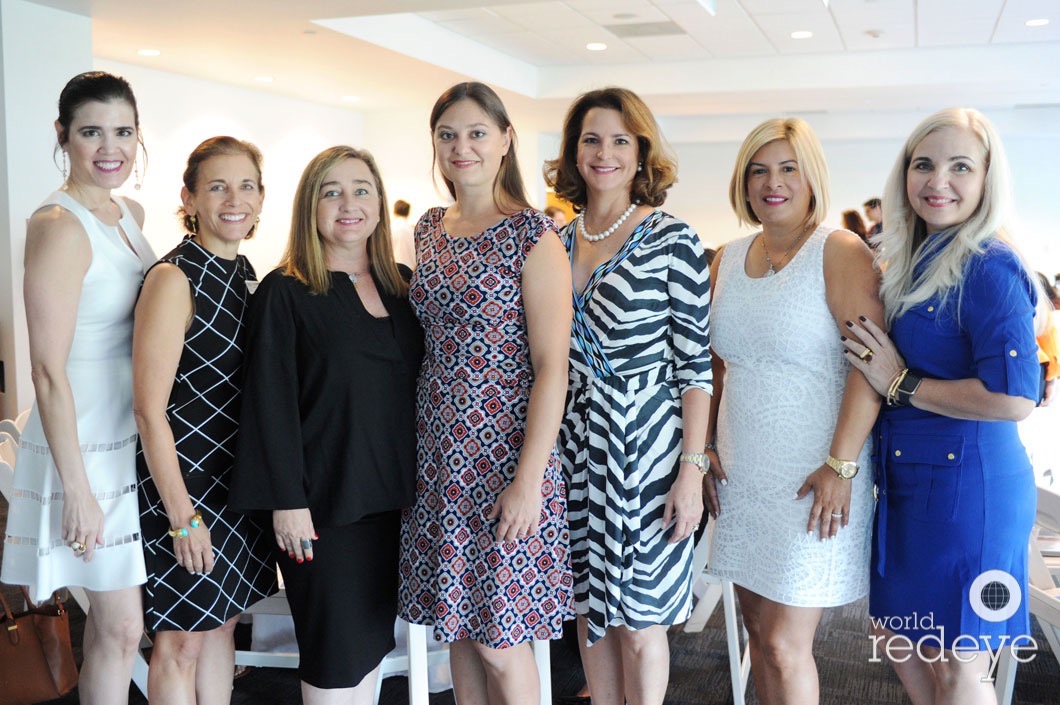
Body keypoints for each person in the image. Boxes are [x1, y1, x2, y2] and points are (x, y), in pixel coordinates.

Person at [844, 107, 1043, 705]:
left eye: (961, 167)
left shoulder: (990, 264)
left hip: (972, 494)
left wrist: (900, 383)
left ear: (987, 179)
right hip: (911, 487)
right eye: (924, 165)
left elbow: (1015, 400)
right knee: (900, 636)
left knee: (959, 663)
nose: (938, 181)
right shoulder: (914, 257)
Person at [398, 82, 574, 705]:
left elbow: (554, 368)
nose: (461, 146)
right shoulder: (426, 230)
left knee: (502, 640)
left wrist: (529, 480)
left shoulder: (533, 235)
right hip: (438, 454)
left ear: (505, 141)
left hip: (505, 456)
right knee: (460, 636)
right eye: (447, 135)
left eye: (476, 133)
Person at [229, 146, 424, 705]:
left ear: (380, 205)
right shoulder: (285, 291)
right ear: (309, 206)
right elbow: (268, 403)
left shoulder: (402, 285)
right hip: (326, 511)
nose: (348, 204)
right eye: (331, 191)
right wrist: (286, 501)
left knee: (370, 651)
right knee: (335, 658)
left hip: (399, 504)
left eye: (362, 189)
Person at [542, 86, 712, 705]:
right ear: (573, 151)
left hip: (646, 452)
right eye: (591, 139)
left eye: (620, 140)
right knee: (589, 614)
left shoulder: (674, 239)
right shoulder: (551, 241)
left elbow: (696, 369)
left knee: (640, 624)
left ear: (641, 153)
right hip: (571, 447)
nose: (604, 153)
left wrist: (691, 471)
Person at [706, 117, 882, 705]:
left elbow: (870, 369)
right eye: (758, 170)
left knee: (784, 642)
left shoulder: (840, 251)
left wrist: (841, 466)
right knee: (757, 632)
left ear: (812, 179)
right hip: (740, 476)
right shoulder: (725, 259)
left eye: (787, 168)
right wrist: (703, 450)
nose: (771, 183)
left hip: (814, 477)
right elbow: (714, 368)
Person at [0, 71, 156, 705]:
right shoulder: (57, 224)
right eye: (92, 132)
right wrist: (77, 490)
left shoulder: (129, 213)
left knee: (121, 631)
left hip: (130, 434)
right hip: (84, 443)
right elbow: (46, 370)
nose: (109, 147)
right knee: (119, 628)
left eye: (122, 131)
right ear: (63, 136)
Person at [132, 136, 276, 705]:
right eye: (217, 186)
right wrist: (181, 517)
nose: (233, 199)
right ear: (189, 199)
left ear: (262, 199)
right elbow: (148, 409)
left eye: (246, 186)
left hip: (234, 483)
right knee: (180, 645)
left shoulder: (245, 271)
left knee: (222, 625)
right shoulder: (174, 278)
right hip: (183, 489)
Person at [392, 198, 416, 269]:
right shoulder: (413, 231)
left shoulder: (389, 230)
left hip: (393, 270)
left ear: (394, 211)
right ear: (408, 213)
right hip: (410, 272)